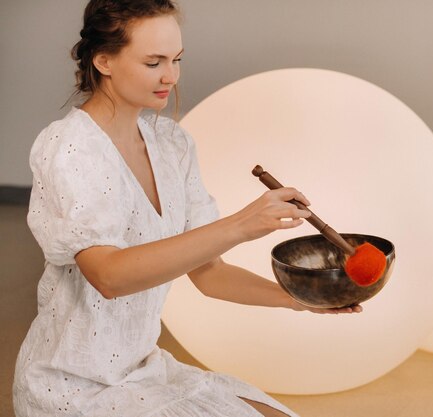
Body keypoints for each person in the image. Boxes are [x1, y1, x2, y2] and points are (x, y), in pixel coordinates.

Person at [13, 1, 361, 416]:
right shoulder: (70, 148)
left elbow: (209, 274)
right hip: (73, 384)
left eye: (176, 60)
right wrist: (240, 225)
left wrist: (302, 299)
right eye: (153, 62)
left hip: (145, 371)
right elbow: (109, 276)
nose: (171, 77)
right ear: (103, 60)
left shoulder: (171, 144)